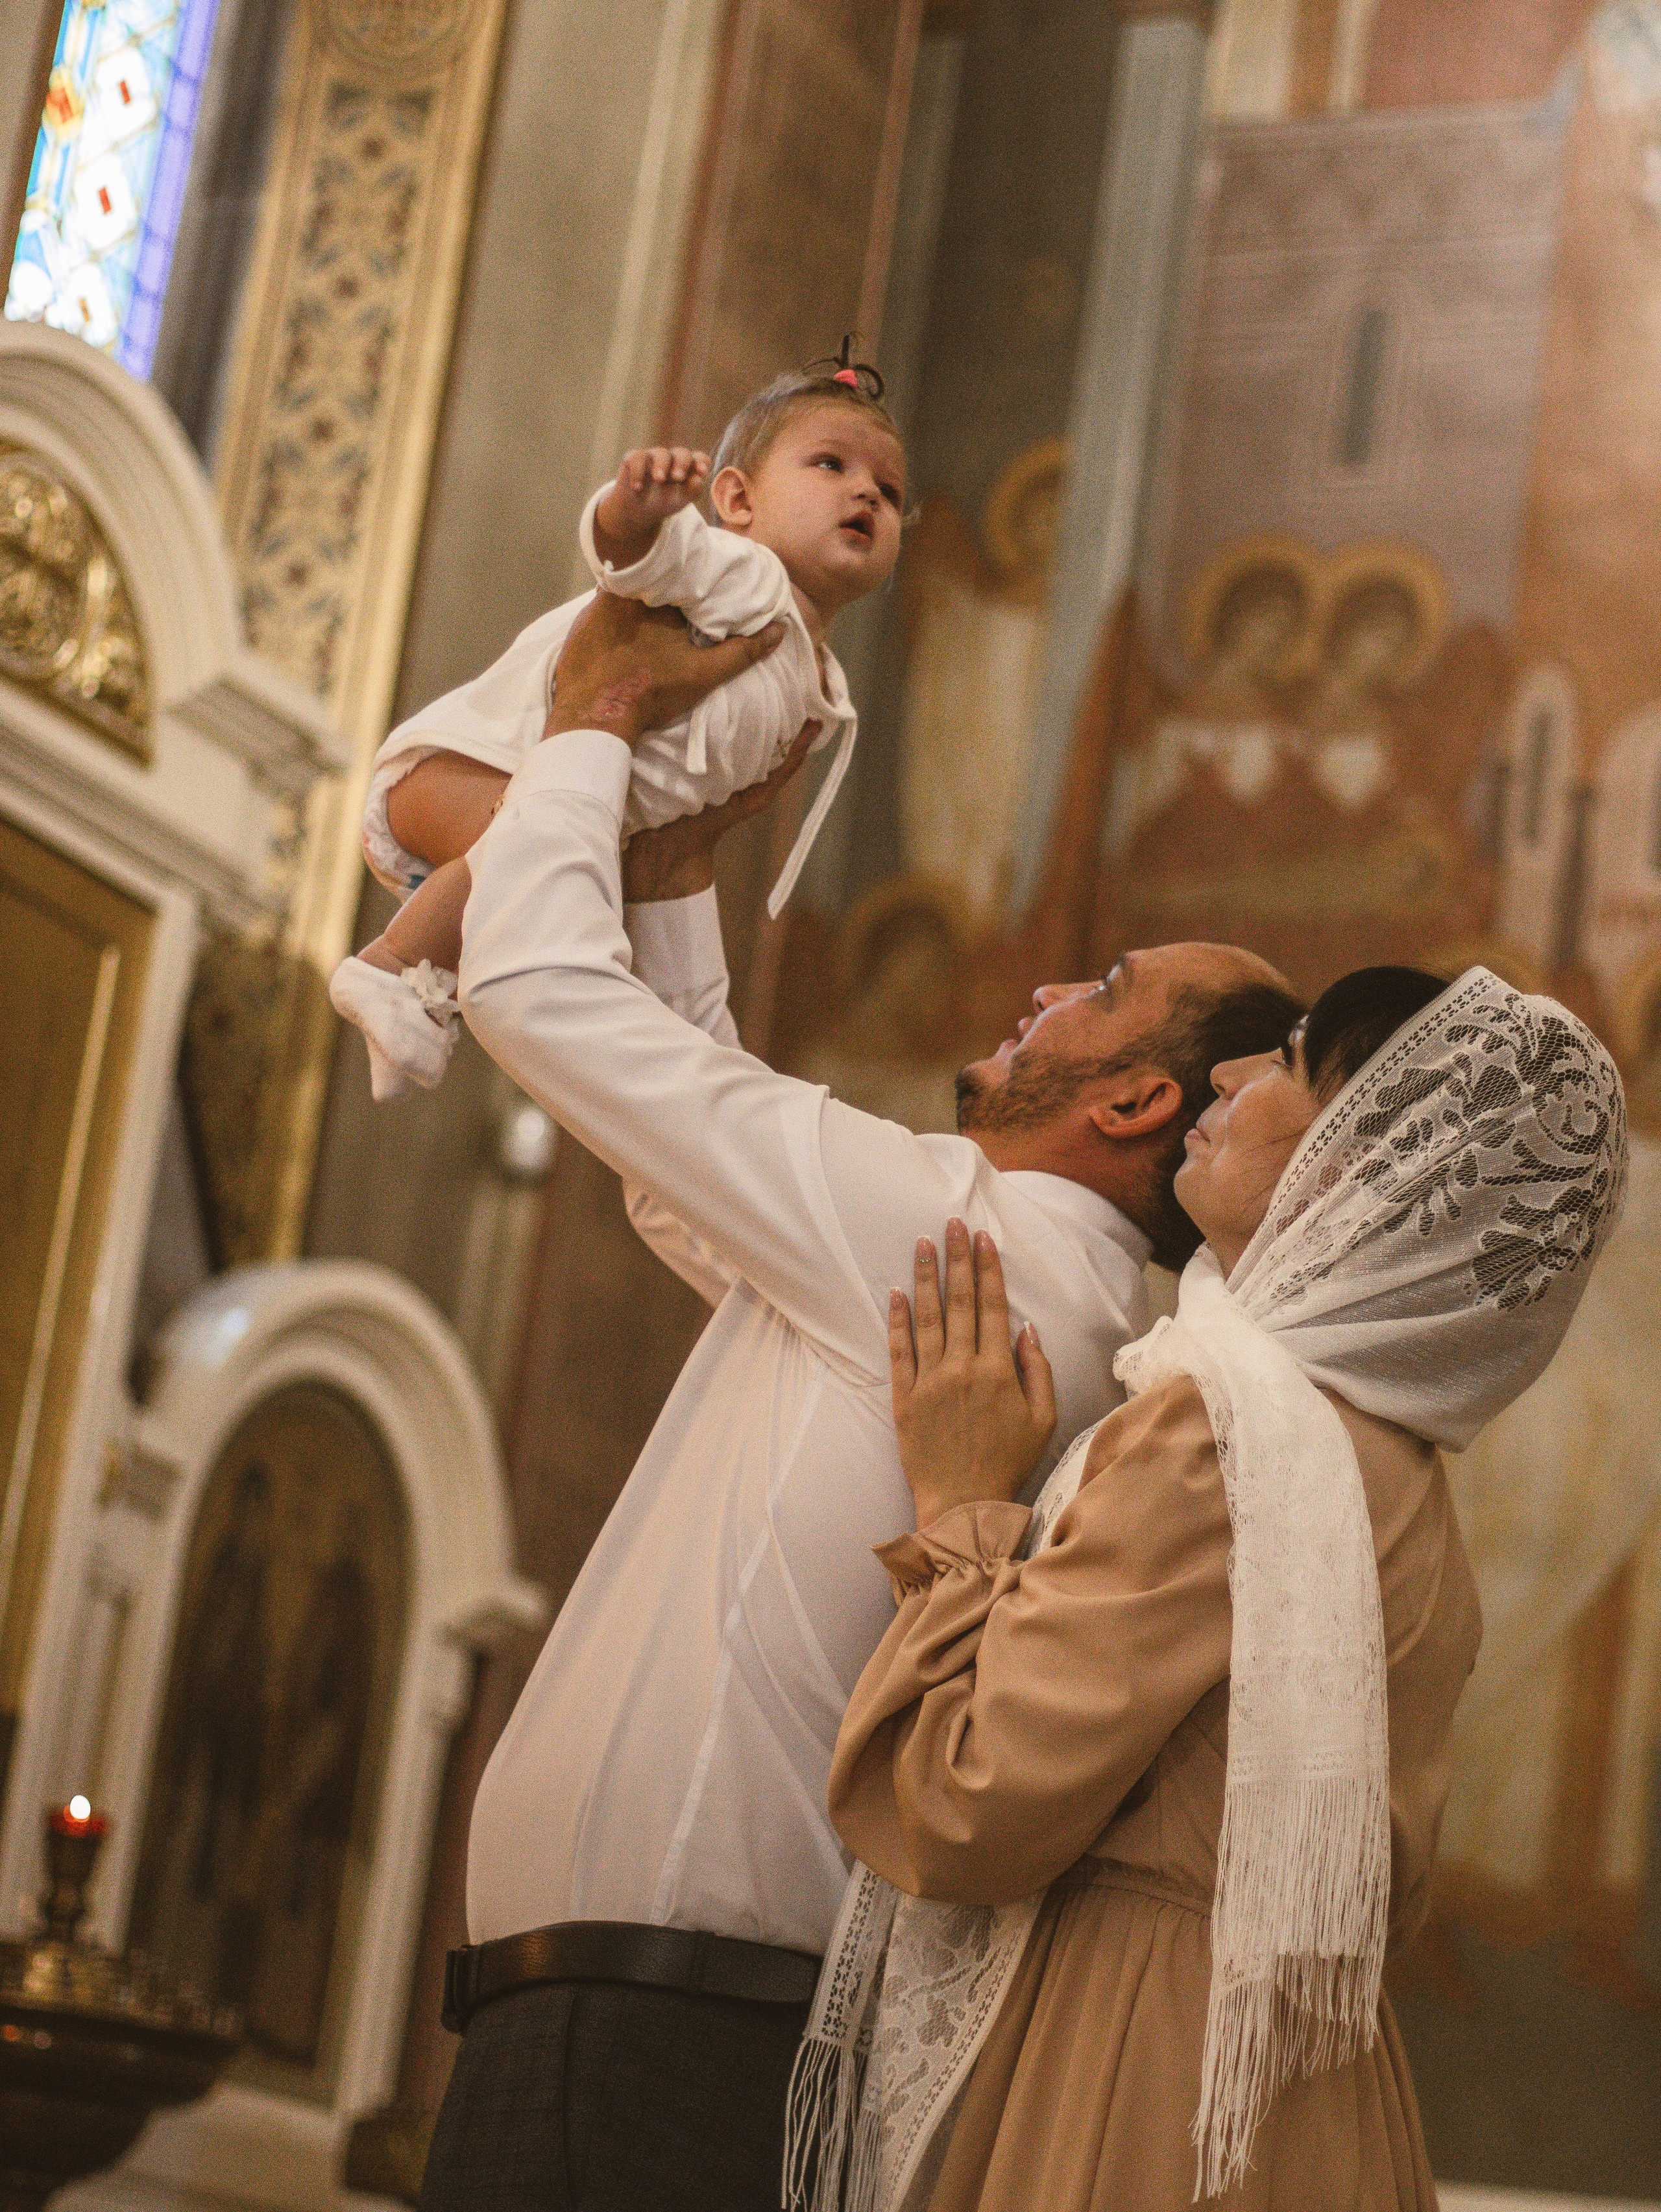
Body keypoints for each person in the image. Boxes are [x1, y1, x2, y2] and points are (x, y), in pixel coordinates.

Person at [415, 590, 1307, 2212]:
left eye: (1103, 985)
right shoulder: (1030, 1282)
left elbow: (536, 992)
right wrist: (675, 875)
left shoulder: (954, 1236)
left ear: (1132, 1098)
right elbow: (684, 1175)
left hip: (643, 2019)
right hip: (680, 2013)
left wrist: (594, 729)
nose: (1048, 986)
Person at [801, 963, 1628, 2212]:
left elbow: (967, 1806)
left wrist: (962, 1506)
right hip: (1308, 2095)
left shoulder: (1221, 1436)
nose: (1228, 1078)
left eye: (1287, 1063)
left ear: (1363, 1168)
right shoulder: (1396, 1480)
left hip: (1140, 2070)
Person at [330, 346, 903, 1099]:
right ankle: (394, 968)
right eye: (830, 464)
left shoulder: (821, 687)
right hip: (472, 767)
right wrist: (632, 510)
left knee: (558, 902)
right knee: (537, 858)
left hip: (550, 820)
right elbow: (642, 558)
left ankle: (421, 994)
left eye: (889, 491)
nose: (865, 491)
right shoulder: (741, 575)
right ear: (736, 500)